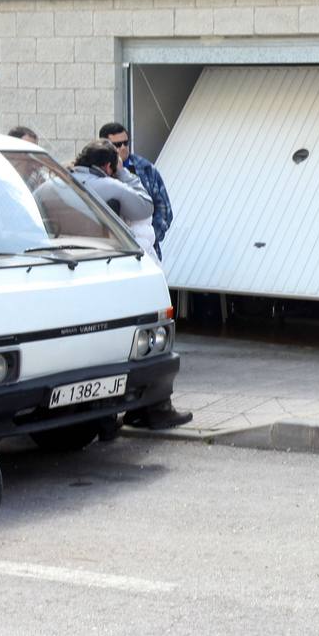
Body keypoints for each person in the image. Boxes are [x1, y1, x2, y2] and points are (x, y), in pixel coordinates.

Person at [70, 139, 193, 431]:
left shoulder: (62, 182)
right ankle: (153, 409)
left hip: (81, 278)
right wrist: (125, 174)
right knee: (149, 340)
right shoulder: (109, 185)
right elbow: (145, 206)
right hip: (119, 273)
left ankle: (105, 419)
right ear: (108, 165)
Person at [99, 122, 173, 260]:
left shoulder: (146, 169)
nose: (123, 148)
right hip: (109, 253)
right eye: (117, 145)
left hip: (145, 252)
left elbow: (164, 210)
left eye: (125, 143)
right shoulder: (97, 173)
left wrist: (148, 237)